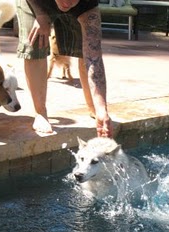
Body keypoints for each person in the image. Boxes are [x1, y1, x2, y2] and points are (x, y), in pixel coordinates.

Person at [16, 0, 113, 138]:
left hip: (82, 7)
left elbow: (94, 58)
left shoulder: (88, 3)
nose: (67, 3)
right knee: (35, 42)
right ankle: (40, 113)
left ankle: (95, 109)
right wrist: (41, 15)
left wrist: (102, 108)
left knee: (88, 49)